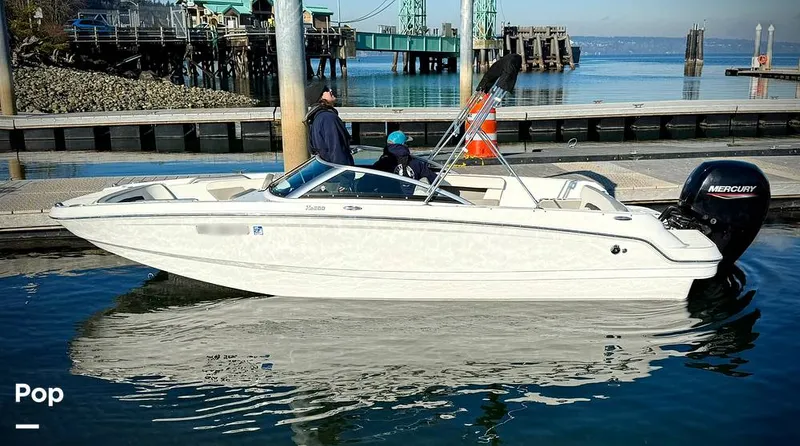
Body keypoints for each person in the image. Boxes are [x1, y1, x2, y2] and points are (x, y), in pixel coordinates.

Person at [303, 81, 354, 166]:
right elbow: (336, 150)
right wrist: (345, 172)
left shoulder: (317, 117)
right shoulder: (328, 118)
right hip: (337, 171)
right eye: (326, 89)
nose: (330, 90)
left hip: (326, 168)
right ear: (320, 97)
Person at [373, 130, 437, 185]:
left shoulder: (380, 164)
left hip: (387, 195)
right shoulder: (416, 164)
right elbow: (435, 179)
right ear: (404, 145)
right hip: (412, 195)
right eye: (408, 144)